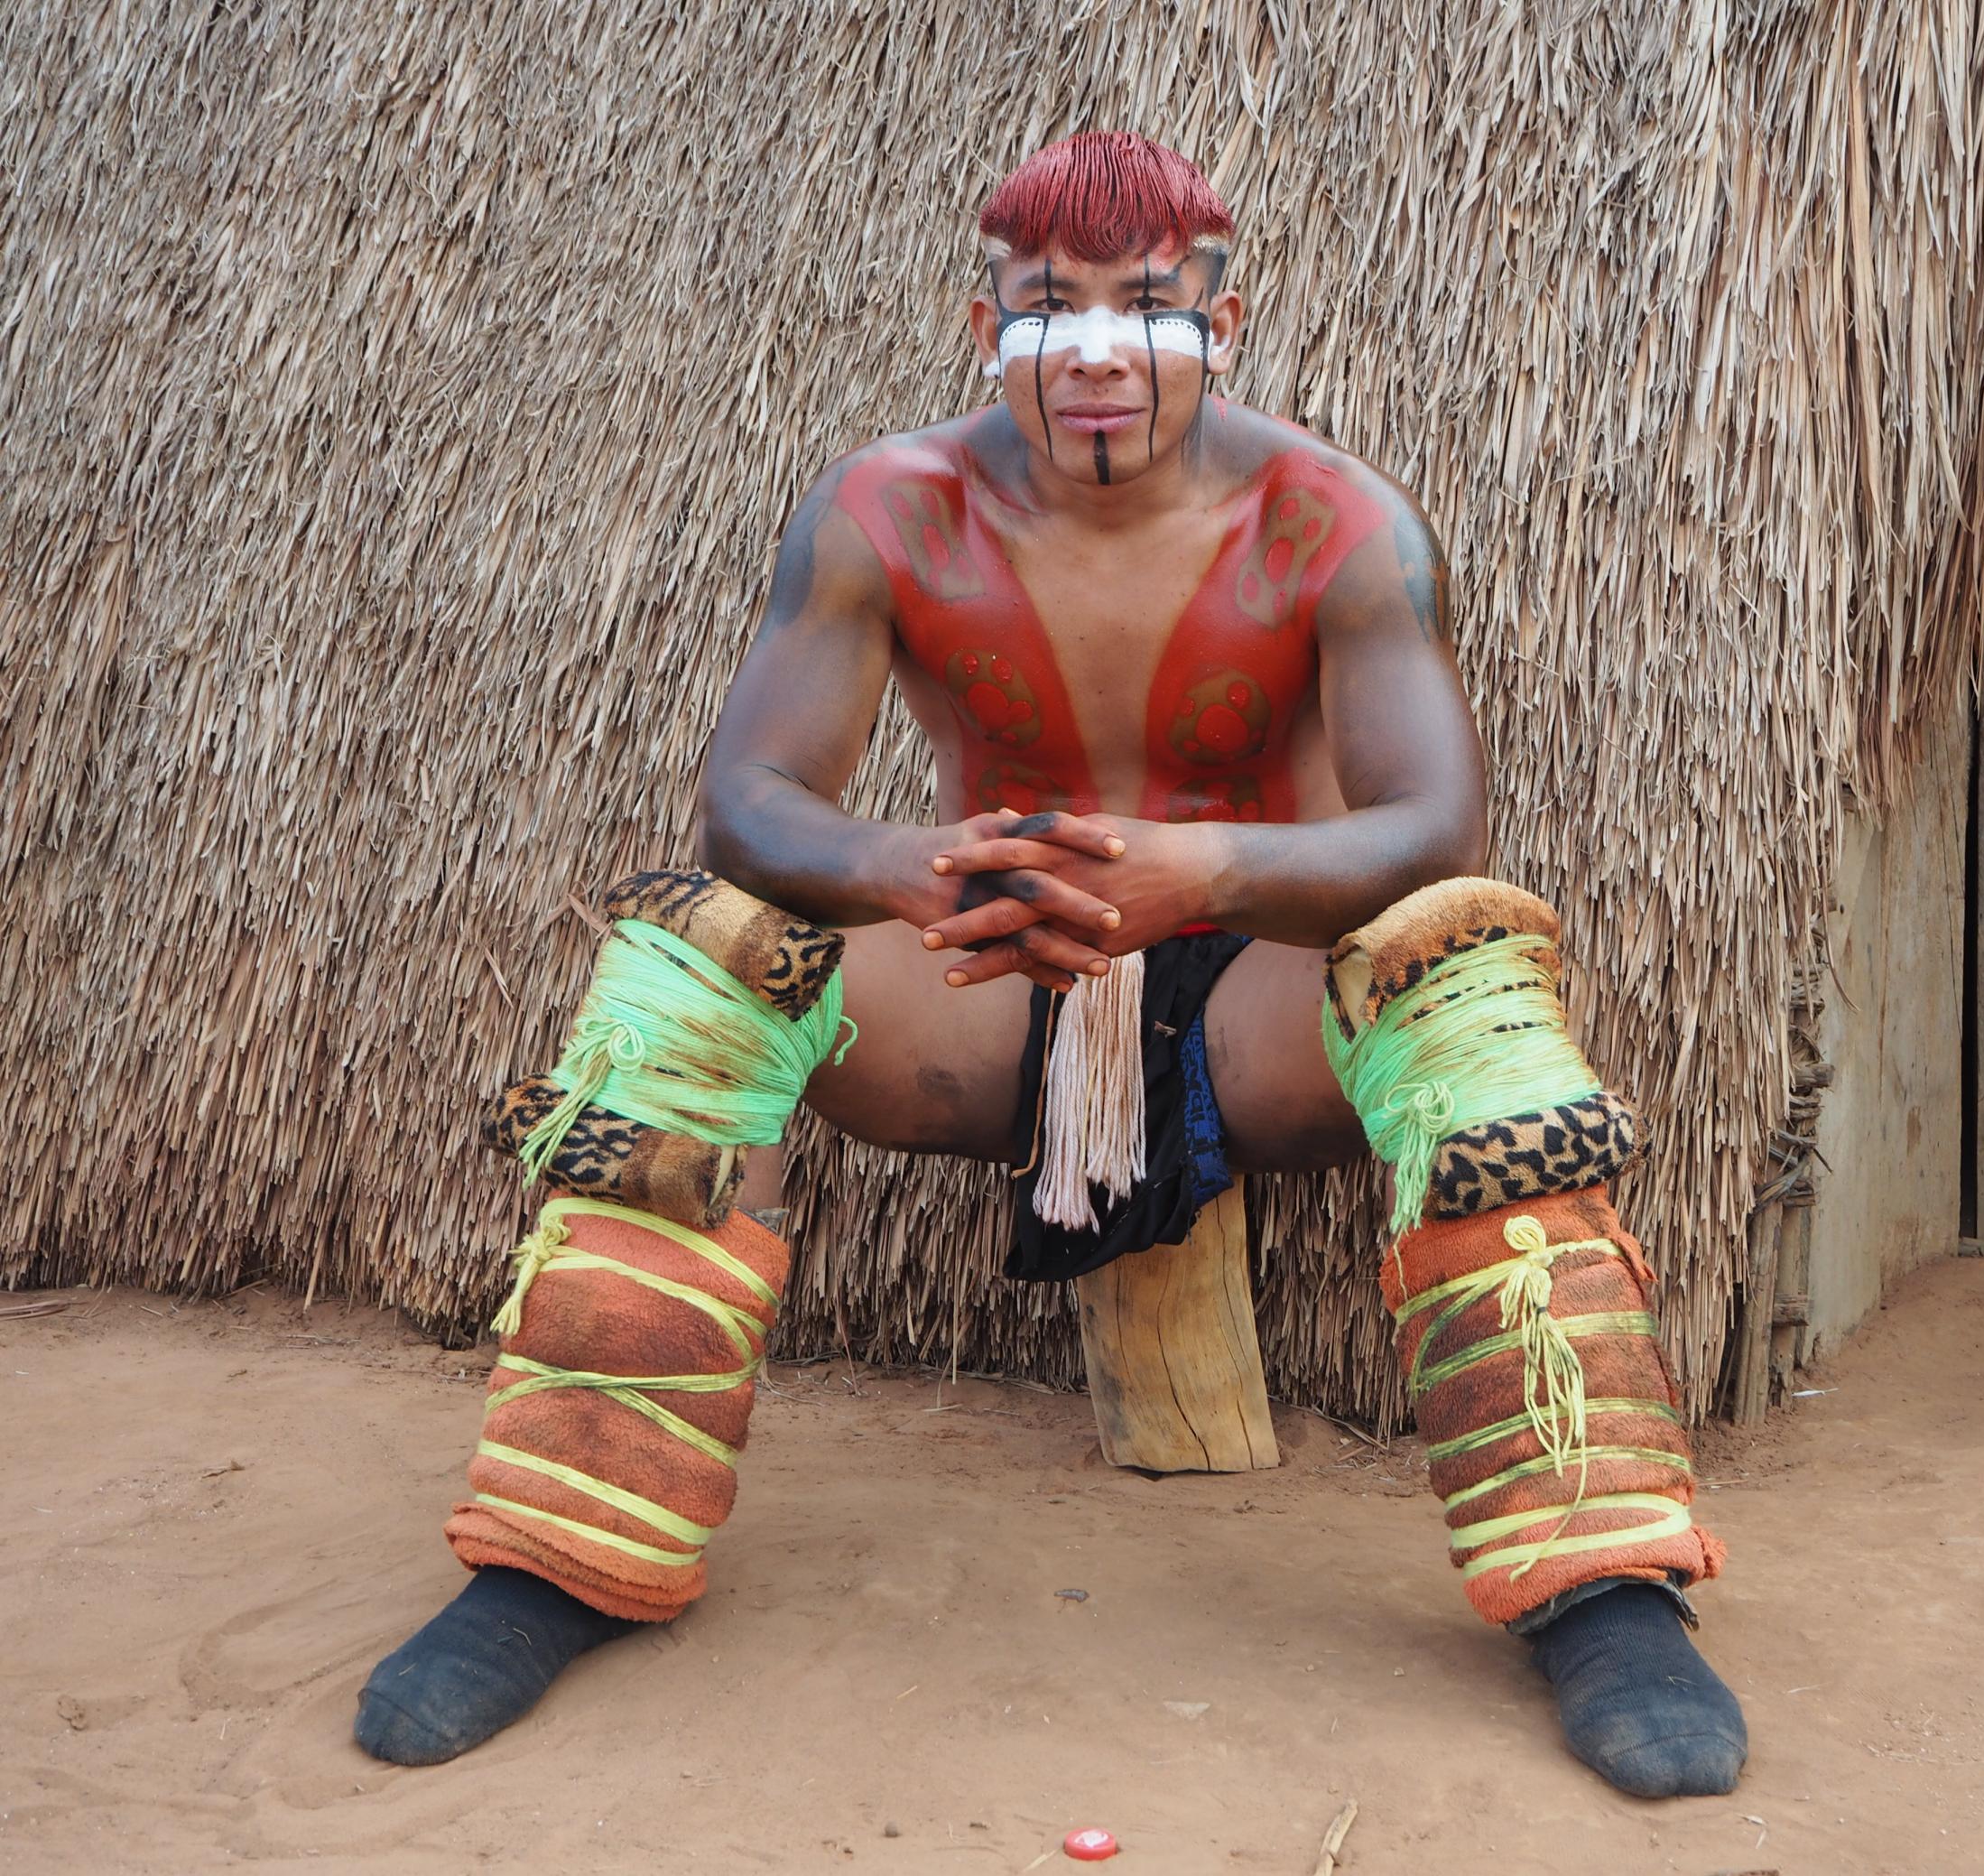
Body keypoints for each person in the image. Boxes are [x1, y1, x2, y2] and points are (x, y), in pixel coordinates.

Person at [356, 130, 1747, 1797]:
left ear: (1222, 327)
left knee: (1466, 979)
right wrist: (912, 865)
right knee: (699, 967)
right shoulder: (888, 509)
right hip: (987, 975)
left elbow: (1434, 823)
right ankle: (559, 1543)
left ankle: (1602, 1578)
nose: (1095, 348)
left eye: (1145, 305)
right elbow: (747, 799)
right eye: (1050, 304)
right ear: (984, 323)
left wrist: (1206, 871)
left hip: (1257, 995)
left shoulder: (1336, 520)